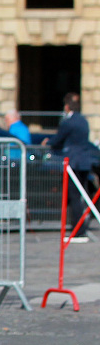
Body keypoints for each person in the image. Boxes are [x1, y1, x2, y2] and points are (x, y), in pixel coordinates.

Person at [44, 92, 99, 242]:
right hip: (84, 162)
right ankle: (81, 226)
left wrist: (48, 143)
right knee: (81, 195)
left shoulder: (68, 122)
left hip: (73, 162)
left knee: (74, 196)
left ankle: (78, 230)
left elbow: (58, 140)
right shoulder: (83, 120)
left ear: (67, 107)